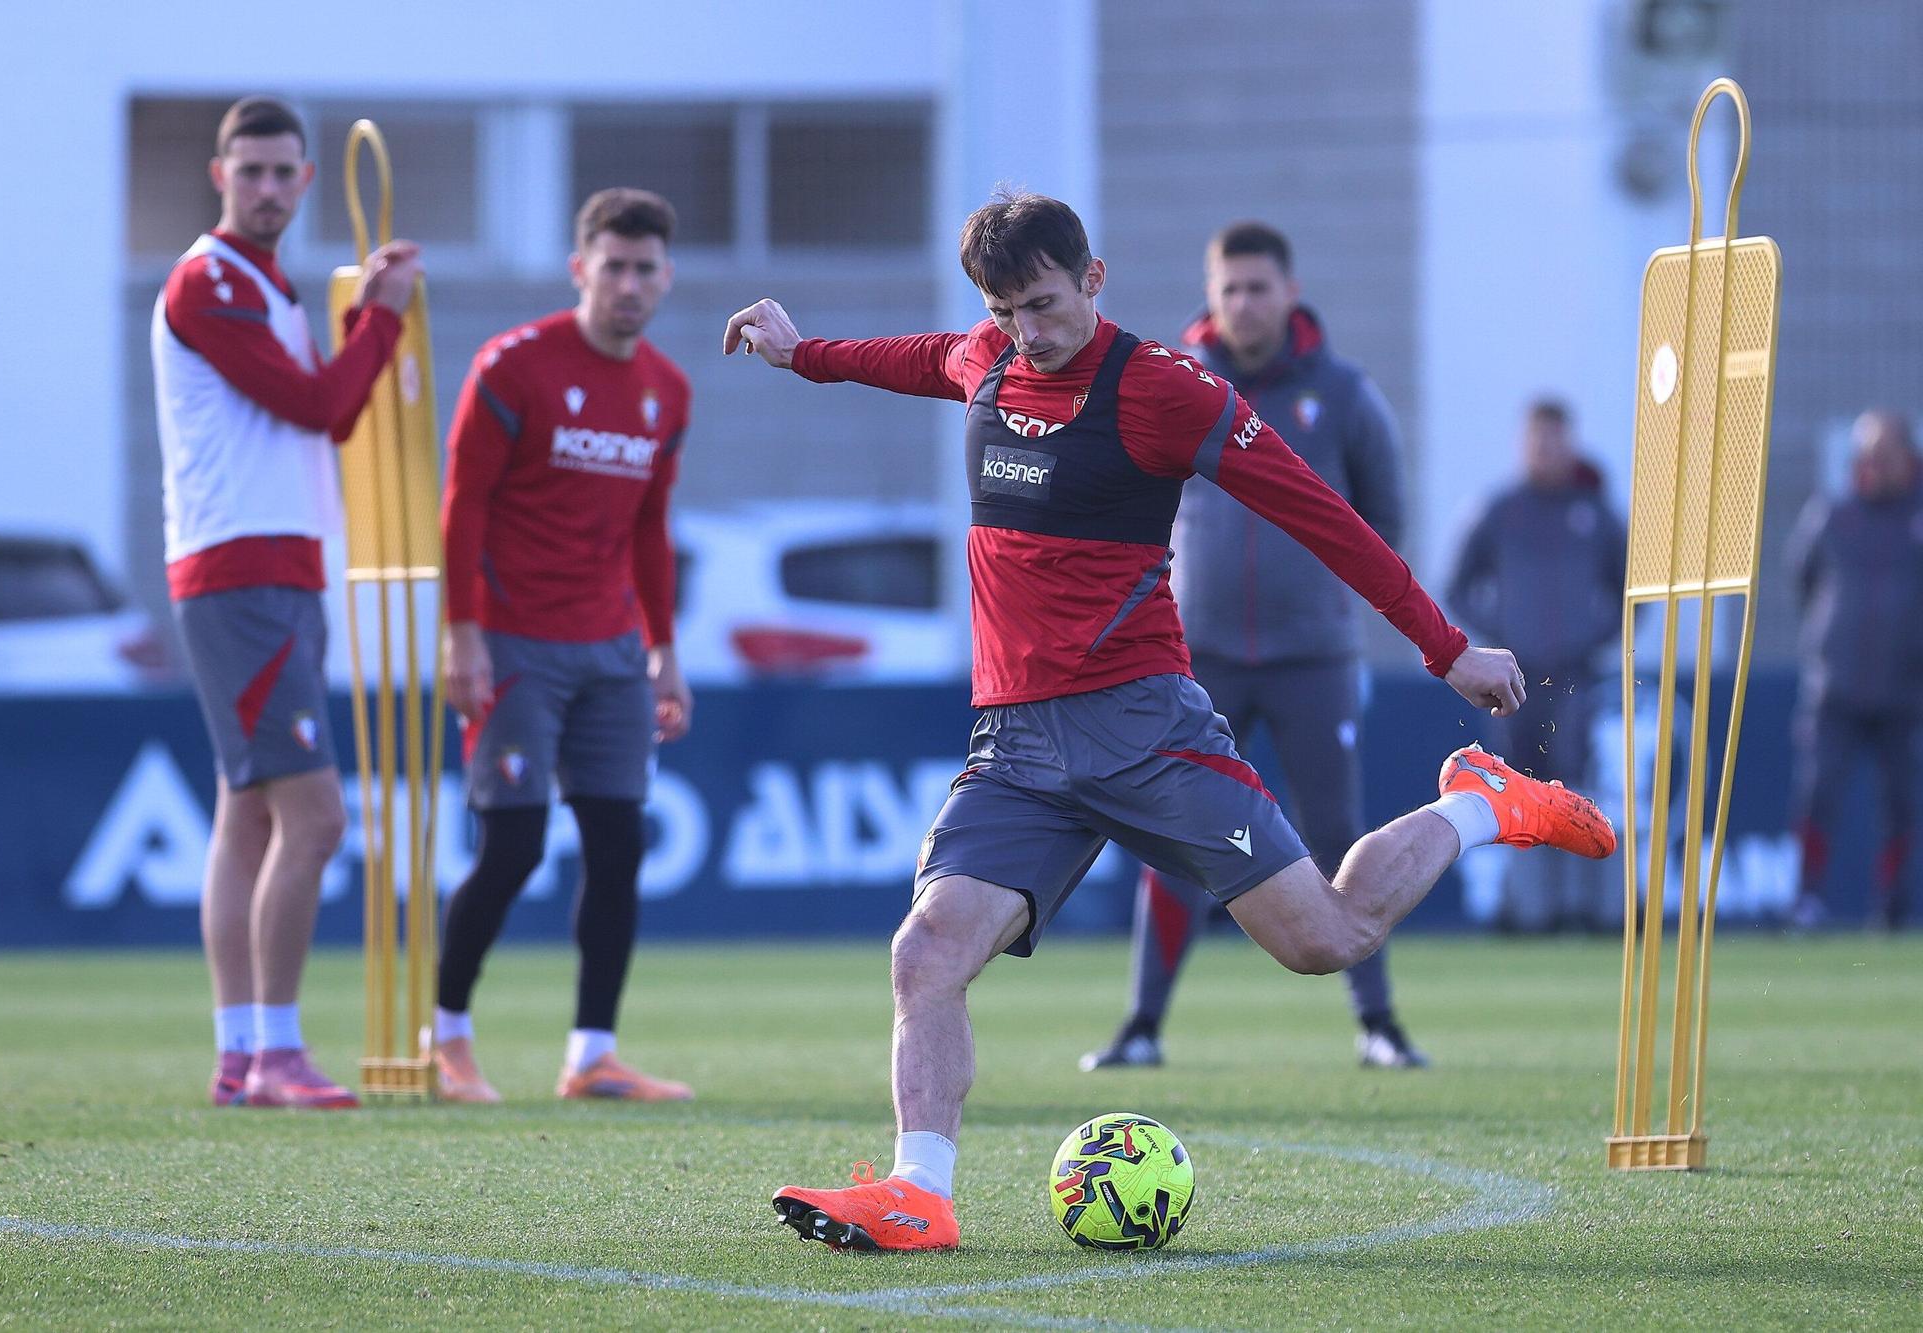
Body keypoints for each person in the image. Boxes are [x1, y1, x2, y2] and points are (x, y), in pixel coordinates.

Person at [723, 191, 1614, 1252]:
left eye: (1044, 304)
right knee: (925, 952)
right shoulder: (985, 357)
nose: (1026, 332)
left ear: (1094, 279)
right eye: (1004, 310)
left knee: (1322, 939)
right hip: (1013, 744)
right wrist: (800, 353)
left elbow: (1318, 513)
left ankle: (1476, 805)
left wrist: (1444, 645)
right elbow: (916, 357)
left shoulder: (1162, 392)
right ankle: (921, 1190)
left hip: (1144, 727)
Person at [1081, 220, 1426, 1075]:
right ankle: (1142, 1025)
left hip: (1314, 656)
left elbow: (1383, 515)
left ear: (1289, 291)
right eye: (1228, 288)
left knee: (1339, 833)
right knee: (1179, 838)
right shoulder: (1173, 383)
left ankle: (1377, 1023)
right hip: (1200, 658)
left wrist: (1324, 593)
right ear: (1212, 295)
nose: (1243, 303)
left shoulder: (1345, 395)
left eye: (1258, 287)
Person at [151, 96, 422, 1108]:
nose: (266, 187)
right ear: (218, 173)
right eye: (248, 170)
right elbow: (322, 407)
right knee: (312, 819)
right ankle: (272, 1050)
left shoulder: (263, 282)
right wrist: (383, 315)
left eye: (281, 172)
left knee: (250, 821)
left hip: (275, 567)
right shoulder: (210, 278)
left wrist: (362, 317)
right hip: (240, 570)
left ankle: (241, 1052)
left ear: (308, 180)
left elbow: (308, 415)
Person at [431, 188, 695, 1104]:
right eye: (612, 266)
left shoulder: (668, 389)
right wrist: (460, 634)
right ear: (581, 269)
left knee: (618, 845)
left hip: (613, 650)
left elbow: (650, 530)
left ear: (666, 276)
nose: (629, 283)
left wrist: (664, 648)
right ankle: (447, 1037)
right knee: (512, 846)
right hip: (512, 648)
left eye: (644, 268)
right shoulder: (515, 367)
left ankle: (592, 1054)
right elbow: (461, 504)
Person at [1447, 398, 1627, 931]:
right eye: (1538, 440)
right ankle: (1527, 909)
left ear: (1570, 444)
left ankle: (1587, 908)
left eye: (1556, 440)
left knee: (1579, 787)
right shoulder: (1500, 511)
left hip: (1576, 679)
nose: (1547, 451)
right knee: (1517, 787)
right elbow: (1457, 585)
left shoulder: (1594, 514)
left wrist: (1594, 641)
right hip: (1514, 680)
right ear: (1523, 445)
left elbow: (1628, 592)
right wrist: (1498, 633)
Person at [1785, 409, 1923, 931]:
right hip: (1836, 687)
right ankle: (1806, 900)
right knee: (1819, 794)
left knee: (1902, 805)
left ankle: (1893, 908)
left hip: (1907, 690)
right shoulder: (1833, 515)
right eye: (1868, 454)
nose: (1876, 465)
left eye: (1886, 454)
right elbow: (1802, 576)